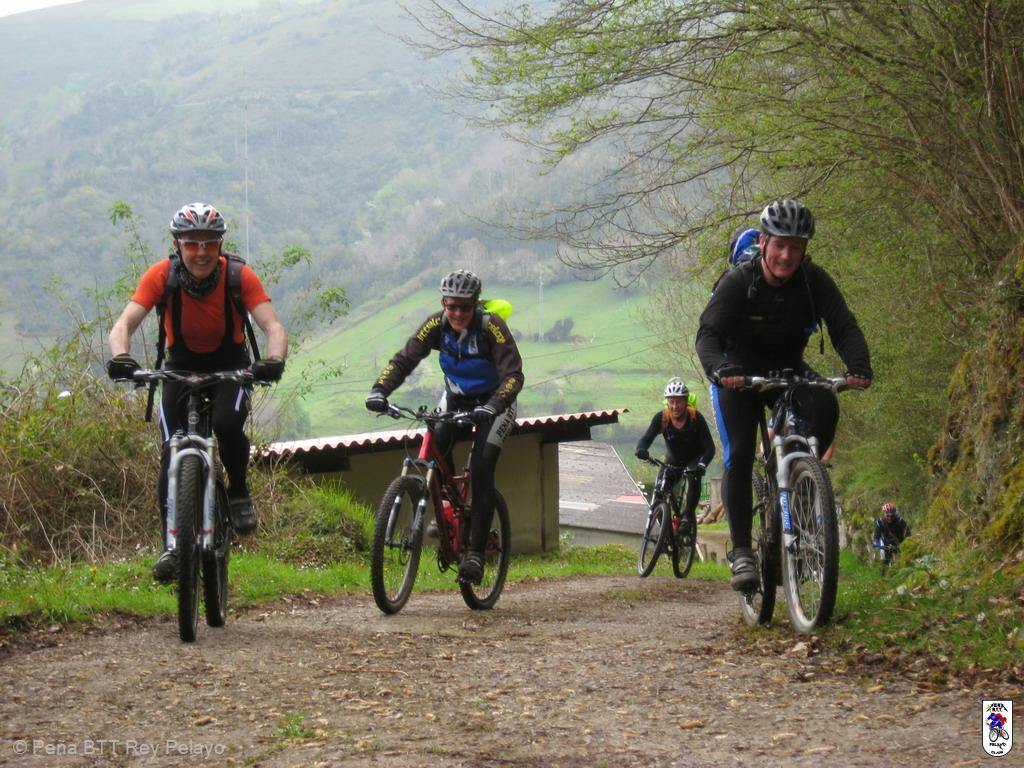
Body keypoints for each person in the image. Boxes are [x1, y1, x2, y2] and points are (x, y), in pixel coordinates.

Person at [695, 198, 872, 591]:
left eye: (796, 247)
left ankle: (801, 484)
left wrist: (858, 365)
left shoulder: (813, 280)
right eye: (780, 245)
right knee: (741, 451)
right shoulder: (739, 281)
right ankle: (743, 552)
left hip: (788, 370)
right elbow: (708, 335)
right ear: (764, 242)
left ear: (804, 250)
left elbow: (843, 325)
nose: (787, 256)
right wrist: (721, 369)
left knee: (825, 406)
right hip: (737, 375)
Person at [106, 203, 287, 582]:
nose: (201, 252)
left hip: (231, 368)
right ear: (178, 244)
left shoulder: (238, 275)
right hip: (180, 368)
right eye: (192, 243)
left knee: (226, 425)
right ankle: (172, 546)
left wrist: (273, 360)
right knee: (171, 449)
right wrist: (121, 356)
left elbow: (272, 326)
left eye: (209, 243)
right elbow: (125, 322)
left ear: (220, 244)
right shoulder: (162, 276)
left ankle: (238, 491)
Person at [365, 269, 524, 584]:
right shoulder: (435, 324)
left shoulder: (492, 326)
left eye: (465, 307)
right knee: (436, 440)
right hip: (456, 398)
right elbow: (404, 360)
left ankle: (475, 554)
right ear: (443, 303)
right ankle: (448, 506)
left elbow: (514, 376)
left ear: (476, 304)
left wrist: (493, 405)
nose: (458, 313)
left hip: (496, 403)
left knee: (481, 467)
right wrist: (379, 390)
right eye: (452, 306)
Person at [634, 378, 716, 519]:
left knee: (693, 476)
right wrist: (641, 449)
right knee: (659, 492)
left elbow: (710, 448)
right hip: (673, 460)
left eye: (679, 402)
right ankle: (662, 527)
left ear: (686, 401)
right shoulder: (662, 418)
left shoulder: (695, 418)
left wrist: (702, 465)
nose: (675, 406)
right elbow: (646, 438)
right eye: (671, 402)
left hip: (694, 458)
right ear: (667, 402)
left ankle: (687, 518)